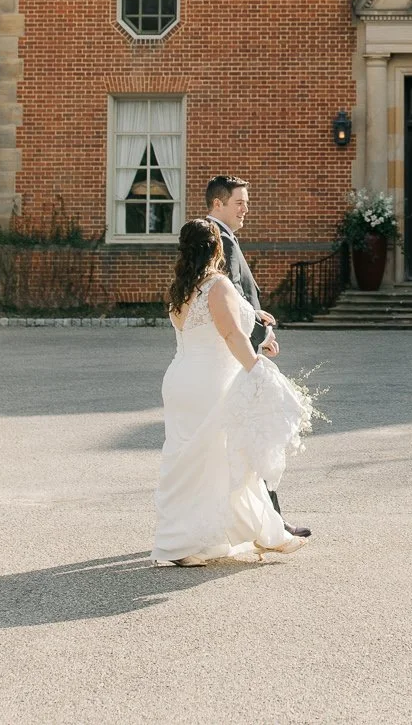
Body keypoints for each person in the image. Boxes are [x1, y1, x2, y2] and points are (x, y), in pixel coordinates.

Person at [151, 218, 309, 566]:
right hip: (209, 382)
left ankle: (186, 542)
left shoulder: (181, 287)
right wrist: (257, 367)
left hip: (181, 379)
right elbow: (230, 336)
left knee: (188, 460)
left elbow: (209, 328)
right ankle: (217, 539)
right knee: (221, 459)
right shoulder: (217, 285)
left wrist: (253, 319)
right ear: (217, 249)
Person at [205, 175, 312, 541]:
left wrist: (259, 316)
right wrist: (259, 339)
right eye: (240, 202)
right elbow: (228, 298)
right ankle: (272, 523)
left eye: (247, 202)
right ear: (218, 204)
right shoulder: (218, 240)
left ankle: (256, 520)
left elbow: (237, 299)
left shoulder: (223, 237)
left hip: (234, 351)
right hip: (238, 356)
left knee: (247, 439)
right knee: (257, 435)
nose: (246, 208)